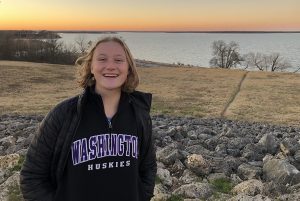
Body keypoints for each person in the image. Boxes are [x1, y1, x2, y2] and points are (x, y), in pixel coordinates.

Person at [20, 36, 157, 201]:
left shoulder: (140, 115)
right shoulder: (63, 114)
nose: (111, 66)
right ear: (91, 66)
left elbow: (148, 169)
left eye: (119, 60)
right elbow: (32, 176)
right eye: (102, 59)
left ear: (128, 68)